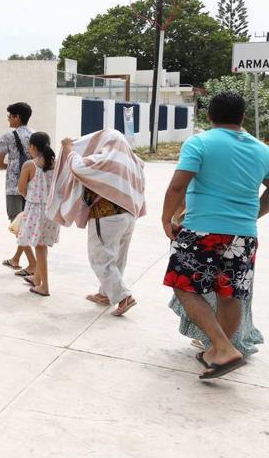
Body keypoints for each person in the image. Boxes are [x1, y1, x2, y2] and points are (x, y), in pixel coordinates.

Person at [162, 92, 269, 380]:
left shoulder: (200, 143)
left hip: (202, 230)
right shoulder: (262, 150)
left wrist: (166, 218)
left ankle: (223, 347)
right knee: (229, 293)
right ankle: (217, 351)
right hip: (244, 235)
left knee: (183, 285)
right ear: (242, 117)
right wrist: (252, 214)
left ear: (209, 116)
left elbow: (177, 187)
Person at [55, 132, 144, 316]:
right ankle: (106, 294)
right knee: (117, 258)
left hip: (107, 216)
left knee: (100, 259)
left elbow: (78, 167)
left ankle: (123, 297)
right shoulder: (133, 163)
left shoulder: (105, 160)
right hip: (128, 216)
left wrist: (69, 149)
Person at [16, 132, 59, 296]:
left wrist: (31, 196)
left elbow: (21, 188)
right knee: (43, 246)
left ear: (33, 147)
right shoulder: (55, 164)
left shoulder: (30, 165)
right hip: (51, 210)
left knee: (39, 247)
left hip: (36, 210)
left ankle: (44, 286)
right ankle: (37, 279)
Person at [0, 102, 34, 269]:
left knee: (17, 225)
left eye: (10, 116)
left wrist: (12, 167)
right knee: (25, 223)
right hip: (32, 186)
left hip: (14, 186)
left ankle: (33, 264)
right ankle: (16, 259)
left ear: (17, 117)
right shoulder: (36, 135)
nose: (8, 120)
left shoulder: (8, 136)